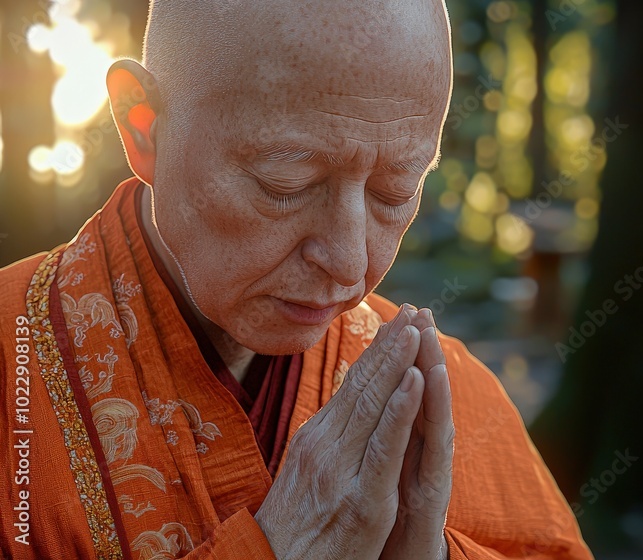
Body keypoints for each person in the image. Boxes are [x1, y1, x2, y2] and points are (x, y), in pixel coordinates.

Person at [0, 0, 592, 558]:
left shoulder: (452, 395)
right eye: (287, 185)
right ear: (142, 125)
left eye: (395, 192)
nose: (349, 263)